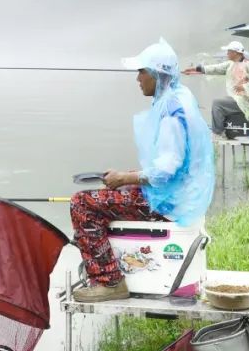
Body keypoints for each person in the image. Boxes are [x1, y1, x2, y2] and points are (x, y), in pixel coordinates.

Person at [70, 38, 214, 303]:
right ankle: (111, 269)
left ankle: (110, 281)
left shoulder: (171, 112)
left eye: (142, 72)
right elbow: (171, 163)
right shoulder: (178, 98)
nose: (137, 79)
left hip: (170, 203)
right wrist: (128, 176)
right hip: (180, 195)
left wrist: (126, 177)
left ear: (158, 75)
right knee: (115, 192)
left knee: (82, 204)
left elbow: (166, 170)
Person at [185, 41, 249, 136]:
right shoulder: (230, 64)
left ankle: (218, 132)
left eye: (229, 51)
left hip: (247, 102)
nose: (227, 53)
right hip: (237, 99)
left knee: (217, 103)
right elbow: (215, 68)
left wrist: (245, 87)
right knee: (222, 101)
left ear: (236, 53)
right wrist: (197, 69)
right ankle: (224, 128)